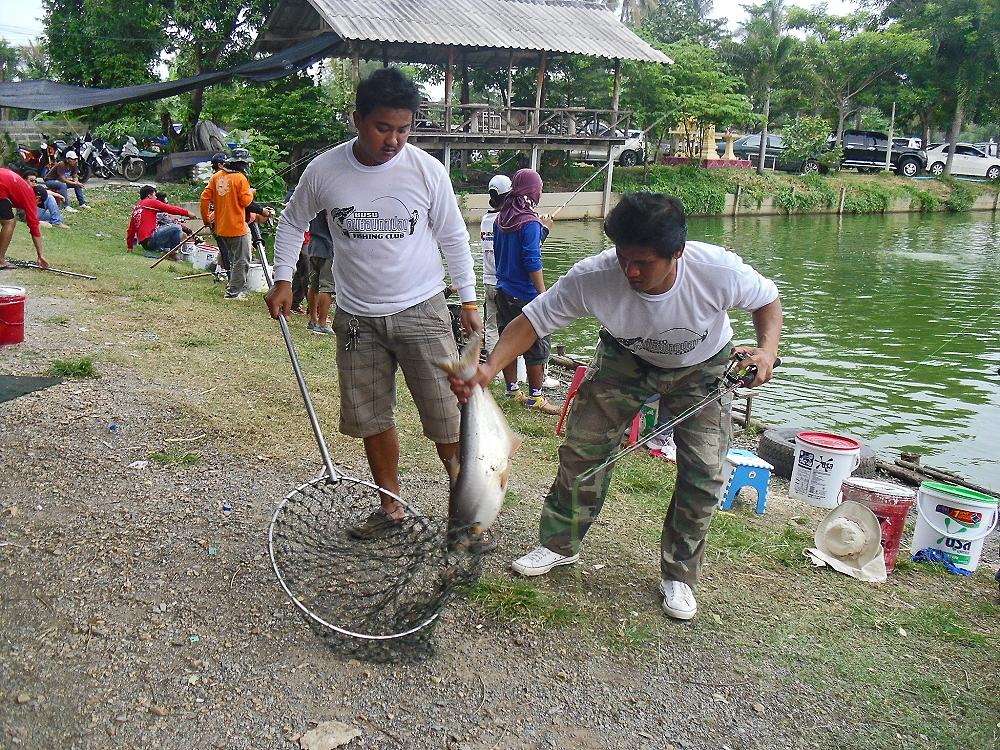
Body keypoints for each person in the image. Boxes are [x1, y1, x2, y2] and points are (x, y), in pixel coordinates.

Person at [449, 193, 782, 621]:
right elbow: (533, 320)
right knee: (582, 450)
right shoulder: (595, 275)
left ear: (677, 253)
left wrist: (767, 352)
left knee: (705, 472)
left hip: (702, 367)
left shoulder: (717, 271)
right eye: (625, 258)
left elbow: (767, 300)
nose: (632, 271)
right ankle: (558, 544)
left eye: (645, 262)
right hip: (623, 359)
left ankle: (678, 574)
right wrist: (490, 366)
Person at [267, 67, 482, 535]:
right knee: (371, 416)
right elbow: (290, 223)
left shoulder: (427, 170)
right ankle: (391, 508)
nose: (394, 140)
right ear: (357, 119)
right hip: (357, 316)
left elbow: (452, 235)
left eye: (404, 129)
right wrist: (284, 278)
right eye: (383, 127)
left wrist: (468, 299)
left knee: (447, 419)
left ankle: (466, 517)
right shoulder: (324, 170)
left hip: (423, 310)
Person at [492, 168, 560, 415]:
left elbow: (512, 252)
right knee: (538, 344)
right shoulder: (529, 222)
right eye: (539, 189)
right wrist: (542, 294)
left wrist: (542, 231)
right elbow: (531, 259)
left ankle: (511, 389)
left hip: (504, 291)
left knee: (508, 340)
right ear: (532, 191)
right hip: (526, 295)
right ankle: (536, 397)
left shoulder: (502, 218)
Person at [201, 149, 255, 300]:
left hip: (221, 227)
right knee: (242, 261)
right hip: (237, 227)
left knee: (232, 260)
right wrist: (251, 192)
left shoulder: (217, 176)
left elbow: (204, 198)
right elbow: (246, 202)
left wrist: (206, 219)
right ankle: (233, 293)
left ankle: (233, 287)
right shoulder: (240, 178)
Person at [480, 174, 511, 353]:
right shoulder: (506, 221)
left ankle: (494, 365)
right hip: (502, 283)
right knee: (508, 327)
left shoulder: (485, 220)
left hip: (487, 281)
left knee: (491, 327)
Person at [0, 168, 49, 270]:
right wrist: (41, 255)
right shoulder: (30, 195)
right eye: (38, 204)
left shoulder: (23, 188)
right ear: (38, 198)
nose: (36, 206)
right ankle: (0, 261)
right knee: (10, 222)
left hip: (2, 181)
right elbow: (34, 226)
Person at [126, 185, 197, 254]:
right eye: (155, 195)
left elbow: (131, 229)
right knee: (176, 228)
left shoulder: (137, 208)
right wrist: (187, 213)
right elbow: (170, 209)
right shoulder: (150, 202)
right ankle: (173, 254)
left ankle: (167, 251)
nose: (156, 198)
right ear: (149, 196)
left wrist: (130, 247)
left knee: (172, 231)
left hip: (145, 245)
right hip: (151, 239)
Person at [305, 210, 335, 335]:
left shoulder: (316, 199)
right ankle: (322, 323)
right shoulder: (330, 201)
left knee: (314, 285)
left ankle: (313, 320)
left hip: (313, 246)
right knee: (327, 287)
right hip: (328, 247)